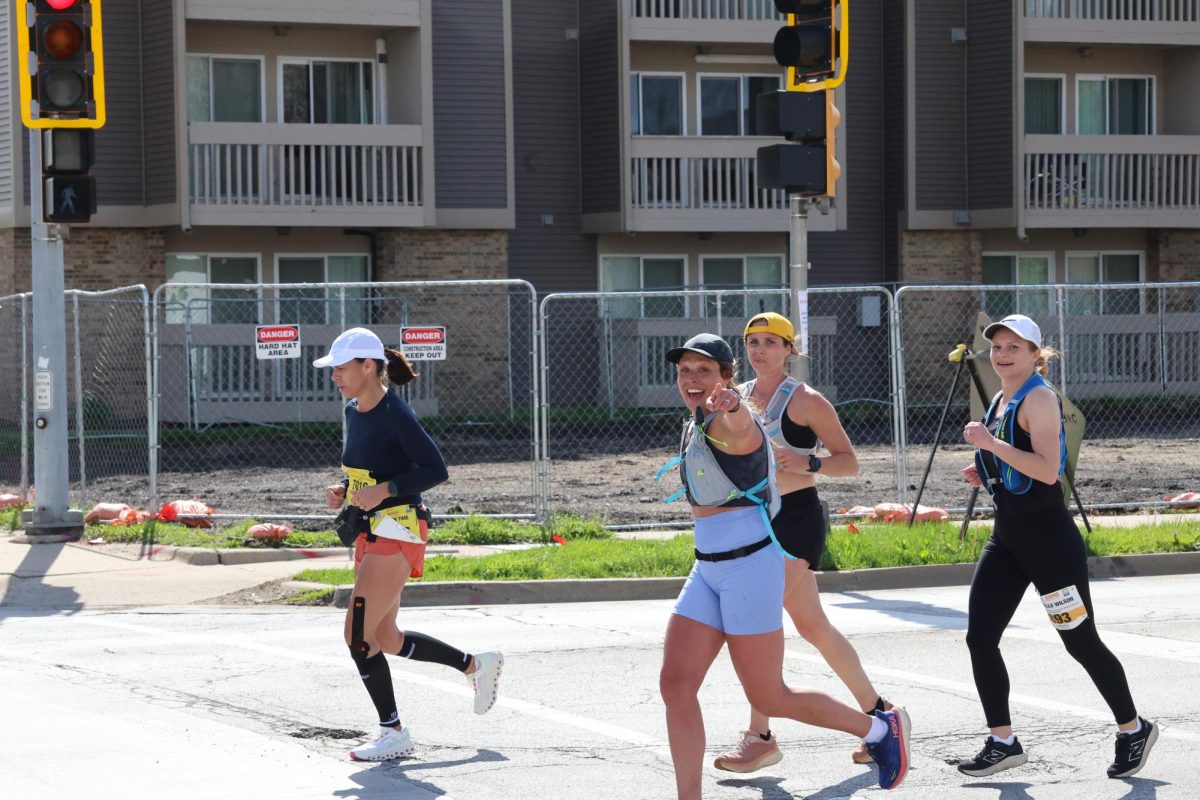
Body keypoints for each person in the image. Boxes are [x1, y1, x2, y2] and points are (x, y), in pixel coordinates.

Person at [657, 333, 911, 799]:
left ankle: (878, 730)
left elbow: (740, 427)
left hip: (750, 567)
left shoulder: (735, 422)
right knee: (675, 685)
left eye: (704, 370)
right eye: (684, 370)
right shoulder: (695, 420)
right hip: (707, 568)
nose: (692, 379)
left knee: (769, 696)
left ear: (726, 378)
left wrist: (733, 406)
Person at [957, 314, 1156, 779]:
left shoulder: (1039, 398)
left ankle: (1133, 729)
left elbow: (1048, 471)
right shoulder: (1003, 398)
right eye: (997, 347)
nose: (1002, 354)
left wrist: (990, 444)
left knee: (1080, 641)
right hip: (1008, 539)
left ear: (1035, 355)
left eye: (1014, 347)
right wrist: (985, 465)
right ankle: (1003, 741)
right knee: (980, 637)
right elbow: (1016, 462)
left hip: (1049, 546)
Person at [711, 312, 895, 774]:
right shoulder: (741, 399)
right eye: (752, 342)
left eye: (771, 342)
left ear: (789, 350)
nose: (759, 350)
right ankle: (882, 716)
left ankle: (760, 736)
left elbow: (849, 463)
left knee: (754, 625)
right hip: (754, 524)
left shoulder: (807, 400)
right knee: (816, 629)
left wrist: (806, 461)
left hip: (795, 524)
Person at [314, 327, 503, 763]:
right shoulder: (353, 410)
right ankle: (476, 665)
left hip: (398, 529)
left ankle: (392, 731)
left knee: (357, 636)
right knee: (386, 637)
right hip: (371, 528)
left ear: (368, 366)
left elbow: (435, 469)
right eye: (333, 370)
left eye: (341, 368)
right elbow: (372, 468)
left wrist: (386, 490)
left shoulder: (395, 412)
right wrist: (345, 488)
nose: (335, 376)